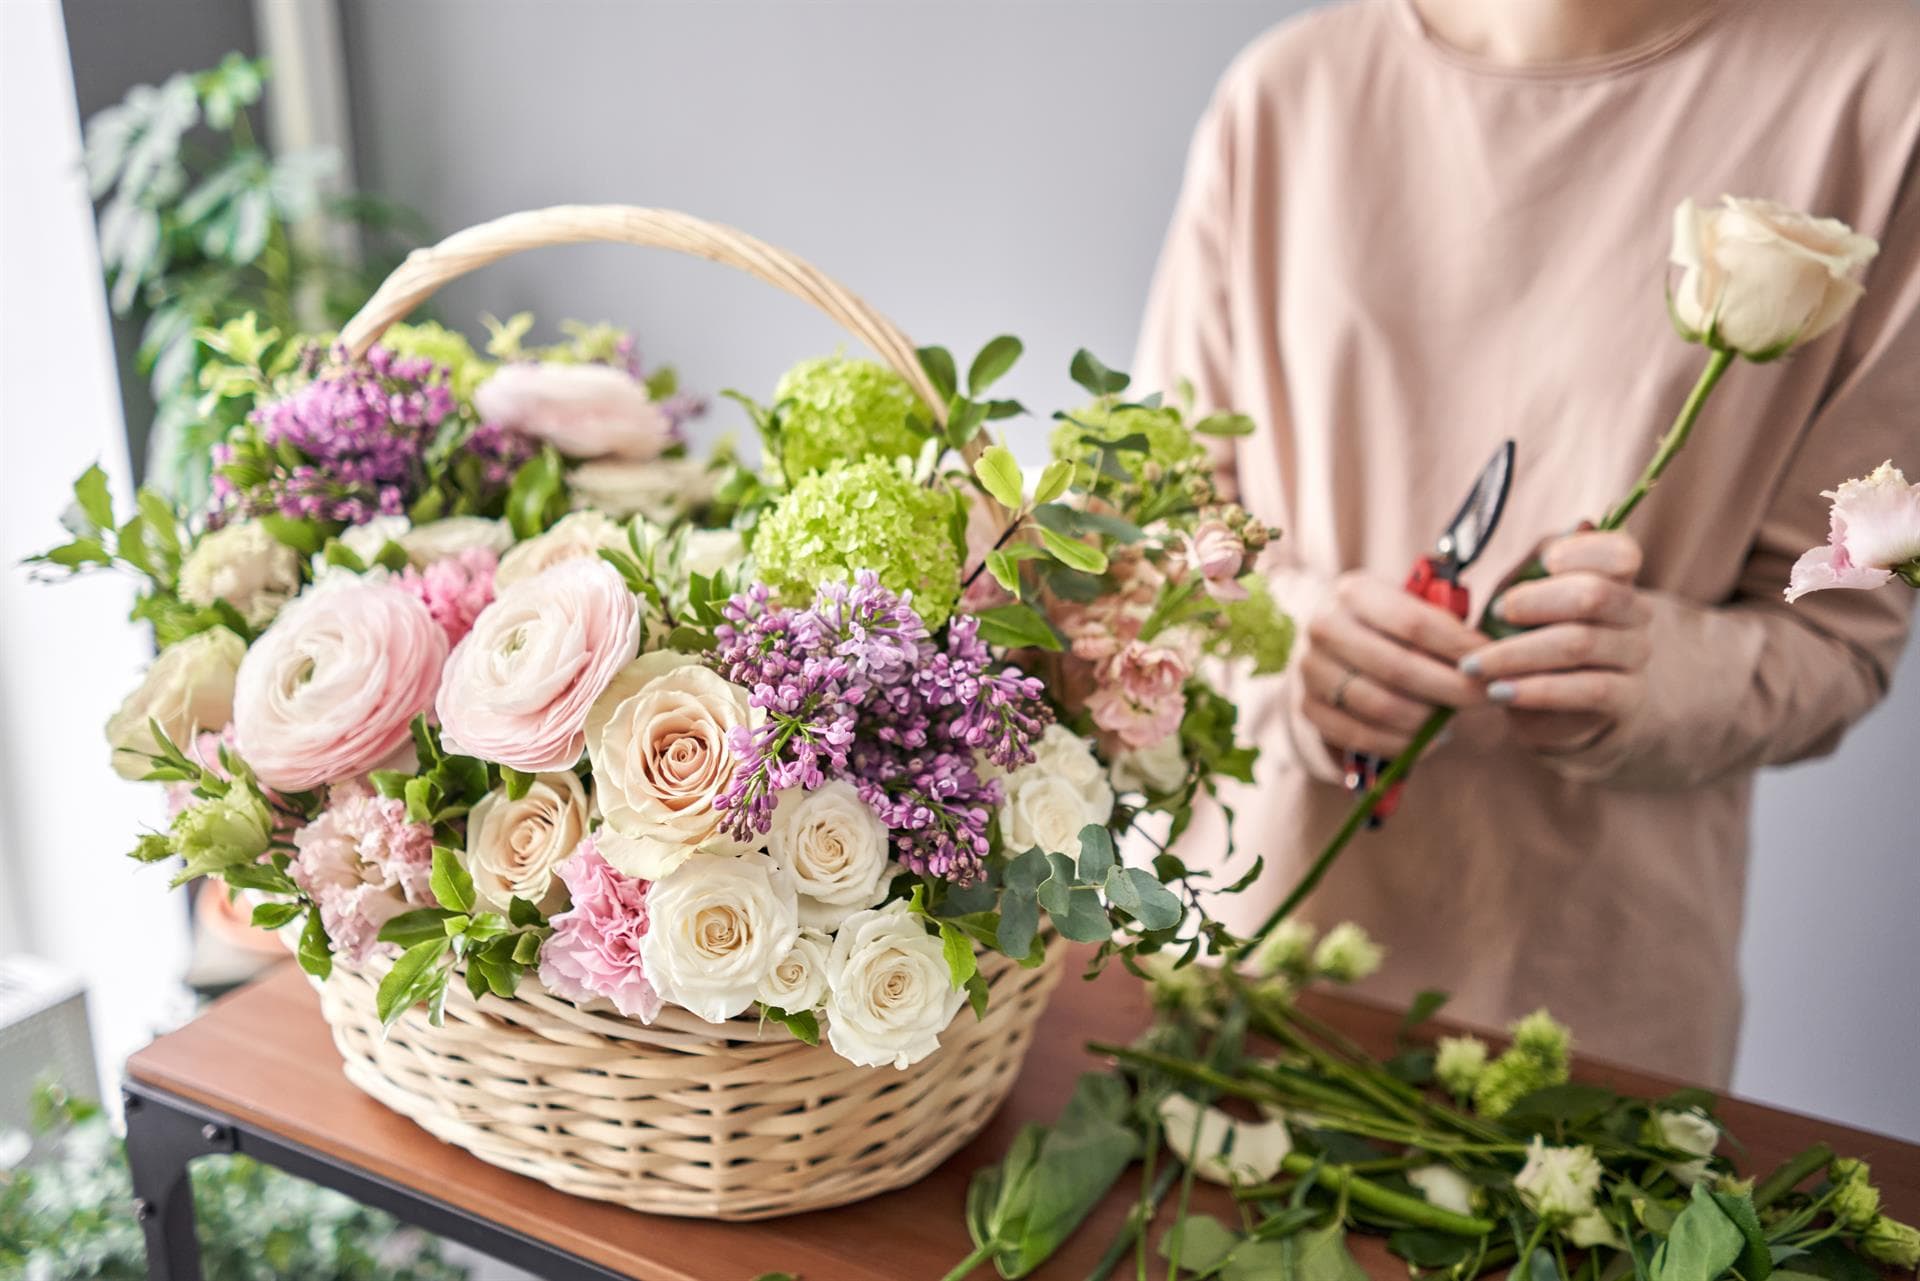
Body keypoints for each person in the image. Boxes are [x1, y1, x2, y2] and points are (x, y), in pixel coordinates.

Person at [1134, 0, 1920, 1083]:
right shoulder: (1283, 94)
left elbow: (1844, 630)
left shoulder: (1888, 94)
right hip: (1236, 978)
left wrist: (1659, 676)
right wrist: (1295, 637)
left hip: (1592, 1032)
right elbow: (1147, 542)